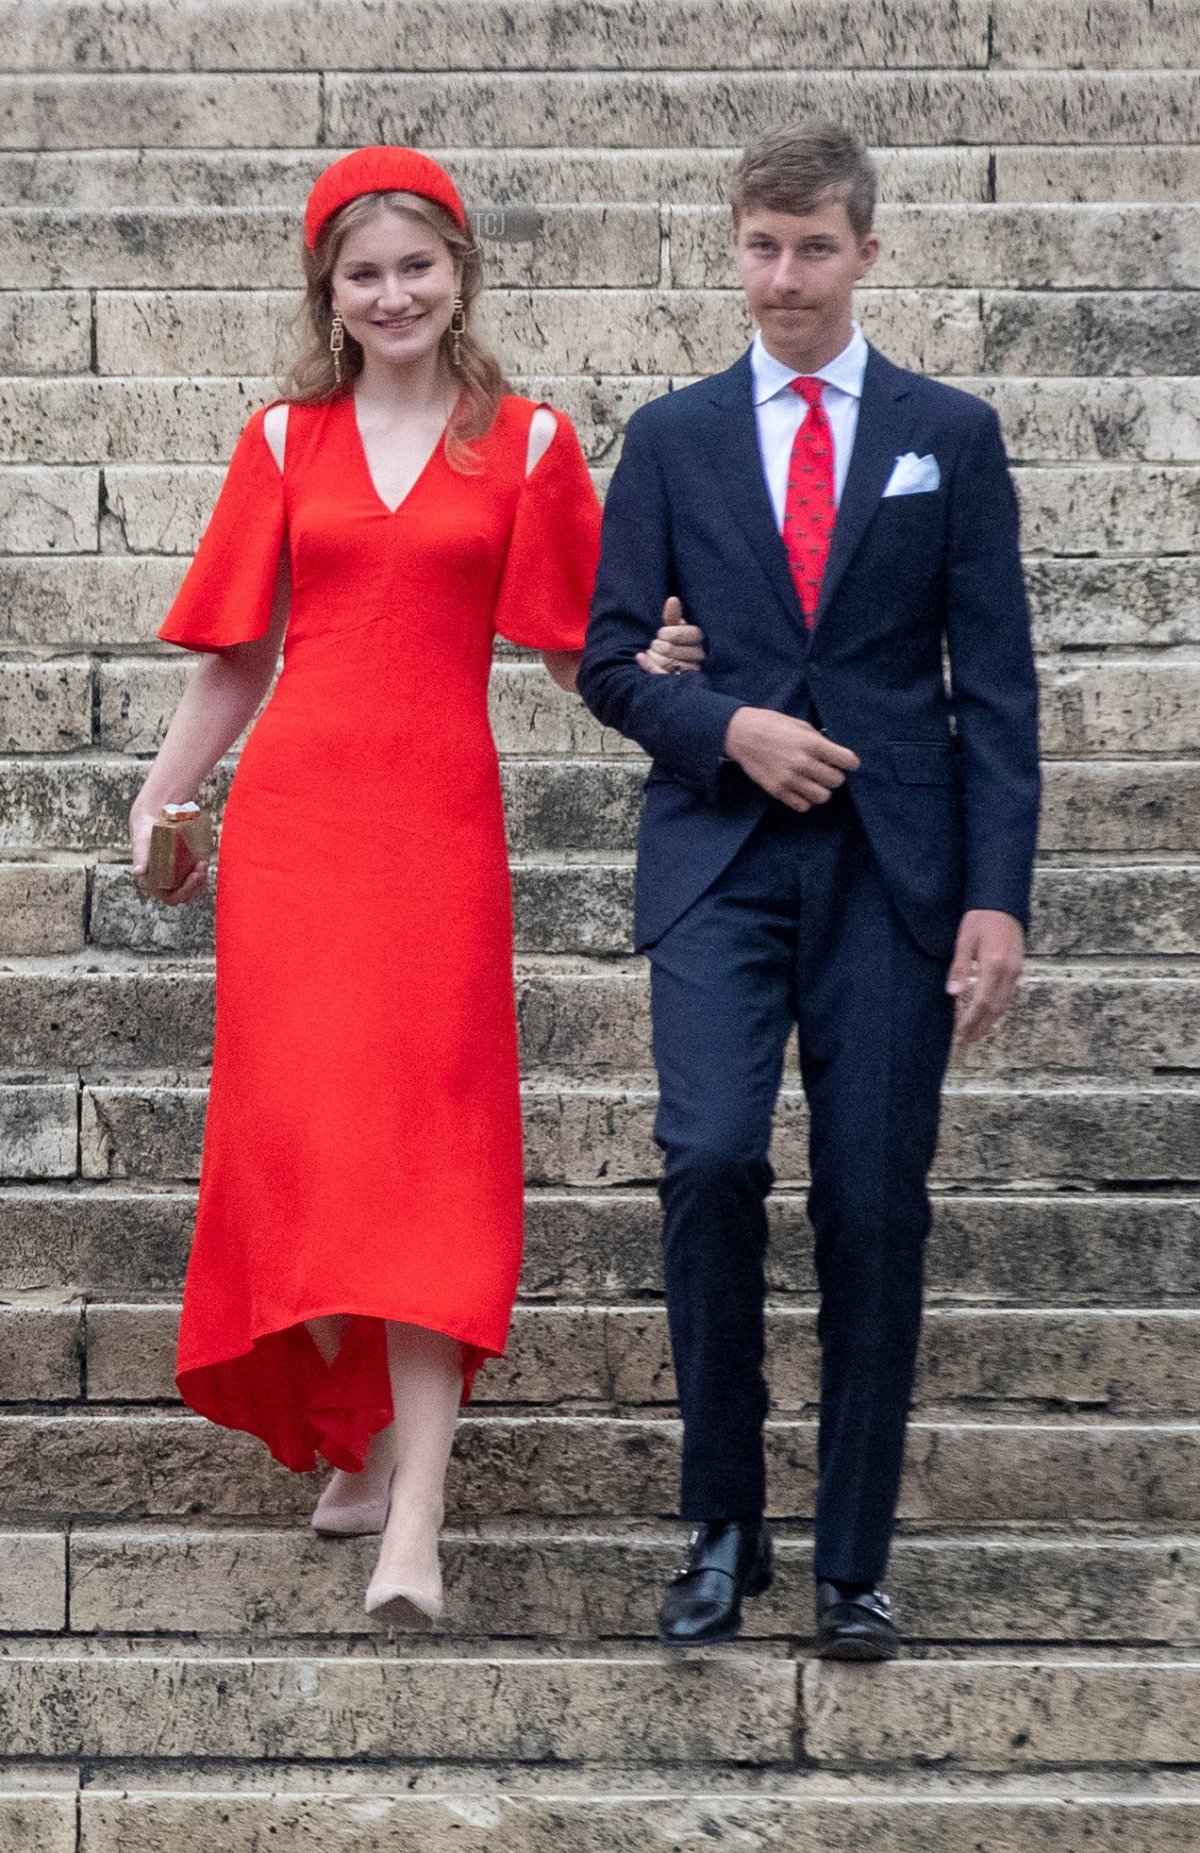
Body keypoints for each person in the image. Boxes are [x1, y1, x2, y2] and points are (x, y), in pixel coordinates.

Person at [131, 145, 696, 1621]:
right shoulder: (278, 442)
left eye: (416, 266)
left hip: (436, 837)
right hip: (299, 833)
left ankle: (417, 1525)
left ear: (461, 271)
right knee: (316, 1147)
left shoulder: (527, 443)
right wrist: (160, 791)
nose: (392, 293)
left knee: (428, 1162)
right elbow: (240, 652)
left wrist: (680, 683)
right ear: (329, 290)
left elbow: (580, 645)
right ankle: (356, 1438)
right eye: (363, 272)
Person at [579, 119, 1040, 1659]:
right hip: (719, 858)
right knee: (709, 1160)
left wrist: (1000, 898)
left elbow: (1002, 690)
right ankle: (721, 1525)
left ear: (867, 250)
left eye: (815, 247)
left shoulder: (949, 433)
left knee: (873, 1204)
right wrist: (725, 727)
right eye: (762, 247)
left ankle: (854, 1558)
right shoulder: (673, 435)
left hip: (897, 873)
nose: (786, 277)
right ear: (735, 248)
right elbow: (605, 658)